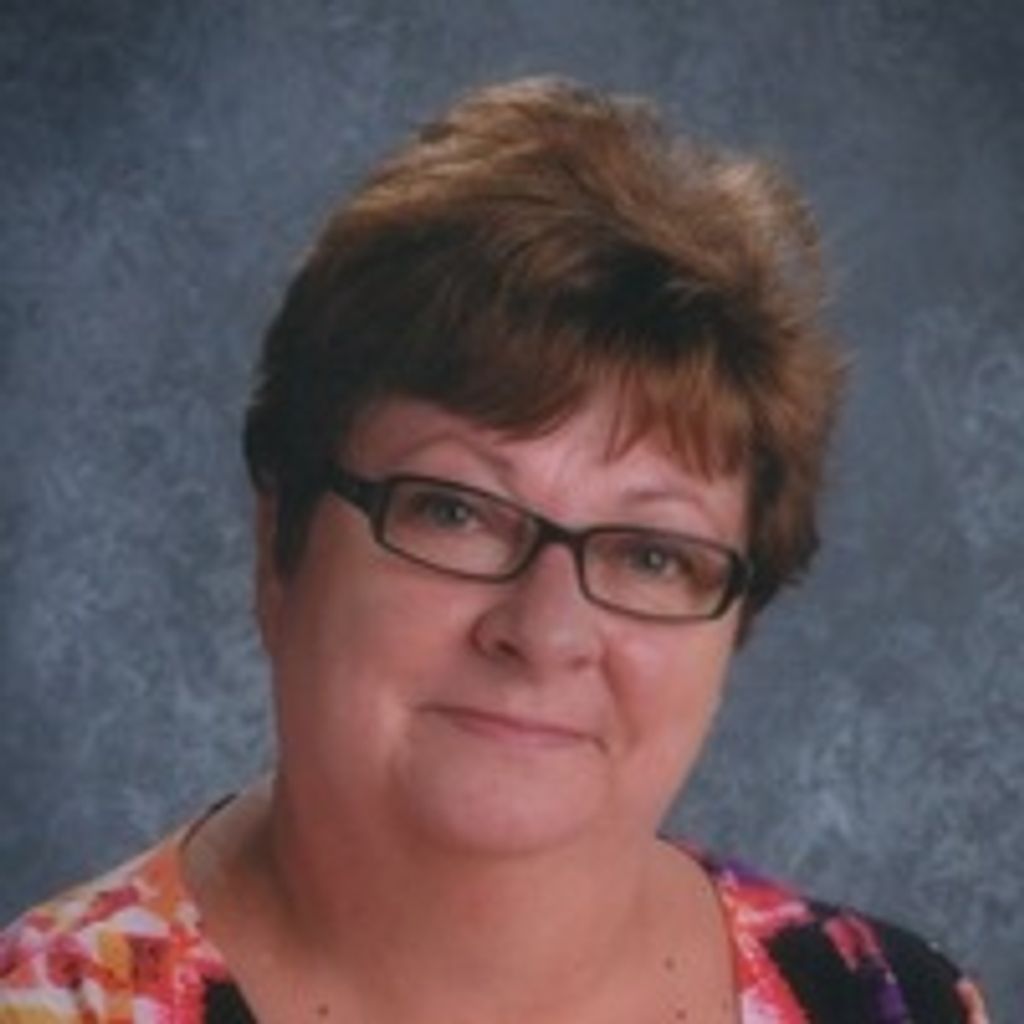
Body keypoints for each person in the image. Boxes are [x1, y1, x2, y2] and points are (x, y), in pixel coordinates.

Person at [0, 77, 988, 1023]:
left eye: (651, 556)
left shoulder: (890, 1002)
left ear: (736, 624)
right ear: (280, 546)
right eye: (454, 511)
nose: (547, 630)